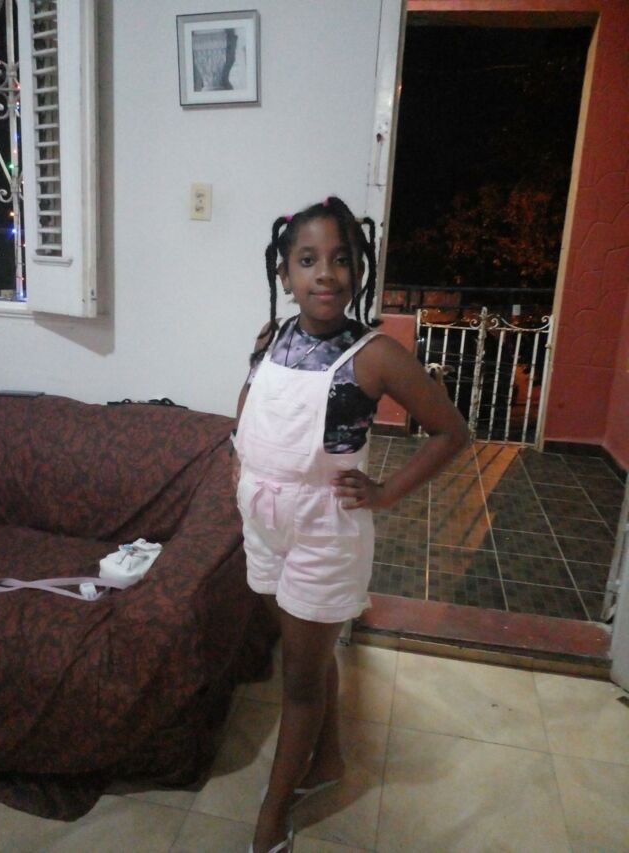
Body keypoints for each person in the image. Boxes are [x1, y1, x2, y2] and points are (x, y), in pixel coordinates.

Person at [233, 196, 469, 853]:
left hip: (323, 532)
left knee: (301, 680)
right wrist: (237, 458)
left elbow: (452, 432)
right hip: (264, 524)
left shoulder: (375, 355)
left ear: (358, 271)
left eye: (341, 259)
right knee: (307, 652)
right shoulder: (272, 339)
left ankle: (272, 814)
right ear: (285, 273)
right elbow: (250, 399)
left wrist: (386, 492)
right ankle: (329, 758)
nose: (326, 274)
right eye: (308, 260)